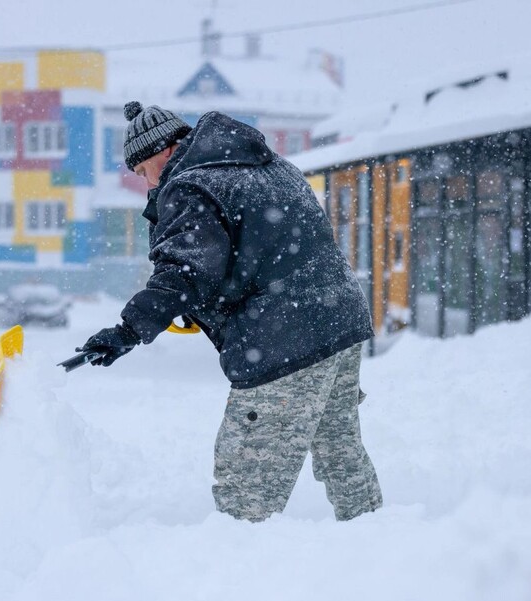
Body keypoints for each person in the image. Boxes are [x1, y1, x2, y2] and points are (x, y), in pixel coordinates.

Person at [70, 101, 382, 522]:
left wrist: (127, 330)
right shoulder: (268, 164)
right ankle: (374, 534)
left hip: (286, 338)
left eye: (143, 171)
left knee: (247, 482)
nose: (146, 183)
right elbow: (256, 249)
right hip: (340, 318)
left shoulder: (191, 185)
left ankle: (236, 573)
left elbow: (184, 272)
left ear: (161, 151)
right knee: (339, 449)